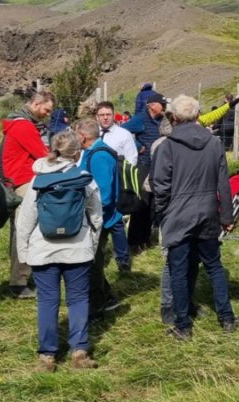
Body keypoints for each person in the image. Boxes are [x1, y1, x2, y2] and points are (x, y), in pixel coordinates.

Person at [150, 94, 237, 340]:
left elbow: (161, 185)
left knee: (178, 270)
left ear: (174, 117)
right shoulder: (214, 143)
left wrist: (163, 212)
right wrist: (227, 216)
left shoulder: (168, 146)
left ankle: (183, 325)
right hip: (208, 212)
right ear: (198, 116)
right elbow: (224, 183)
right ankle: (227, 317)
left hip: (178, 214)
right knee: (214, 265)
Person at [15, 130, 103, 371]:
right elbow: (96, 215)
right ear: (77, 153)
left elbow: (24, 220)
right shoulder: (84, 178)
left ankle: (47, 356)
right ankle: (79, 350)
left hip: (43, 249)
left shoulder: (38, 180)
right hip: (78, 248)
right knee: (78, 298)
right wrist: (92, 244)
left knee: (47, 301)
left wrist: (24, 254)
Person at [0, 90, 55, 298]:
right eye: (46, 110)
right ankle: (19, 281)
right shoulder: (24, 126)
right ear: (36, 104)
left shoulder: (18, 122)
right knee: (25, 231)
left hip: (16, 180)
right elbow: (42, 155)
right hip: (23, 182)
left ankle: (20, 275)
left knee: (20, 231)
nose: (47, 114)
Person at [75, 120, 129, 319]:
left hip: (100, 218)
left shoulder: (99, 156)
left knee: (93, 263)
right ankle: (106, 297)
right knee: (93, 261)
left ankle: (98, 306)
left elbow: (104, 194)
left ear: (82, 136)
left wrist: (88, 213)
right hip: (96, 216)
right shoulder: (92, 152)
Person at [124, 91, 168, 252]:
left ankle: (145, 238)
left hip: (159, 166)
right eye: (161, 104)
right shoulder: (140, 119)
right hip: (143, 165)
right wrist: (137, 146)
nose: (163, 107)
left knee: (152, 205)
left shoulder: (163, 120)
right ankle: (134, 242)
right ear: (151, 105)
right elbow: (124, 132)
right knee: (141, 203)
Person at [96, 100, 138, 165]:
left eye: (108, 114)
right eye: (102, 115)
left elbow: (132, 159)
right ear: (97, 117)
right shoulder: (92, 133)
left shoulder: (124, 134)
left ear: (113, 116)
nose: (105, 117)